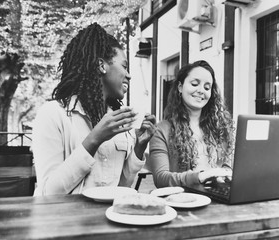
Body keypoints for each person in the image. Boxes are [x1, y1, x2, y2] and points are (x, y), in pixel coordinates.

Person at [32, 22, 156, 196]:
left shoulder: (117, 120)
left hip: (109, 219)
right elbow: (48, 193)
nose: (129, 75)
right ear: (101, 65)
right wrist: (94, 139)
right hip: (65, 221)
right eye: (124, 66)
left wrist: (139, 147)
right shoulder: (53, 114)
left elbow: (122, 187)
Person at [149, 60, 235, 188]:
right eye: (195, 84)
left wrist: (226, 174)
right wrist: (200, 176)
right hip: (183, 201)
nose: (201, 90)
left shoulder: (220, 128)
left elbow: (226, 165)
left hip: (217, 200)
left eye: (207, 87)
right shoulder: (161, 130)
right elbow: (161, 178)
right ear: (180, 87)